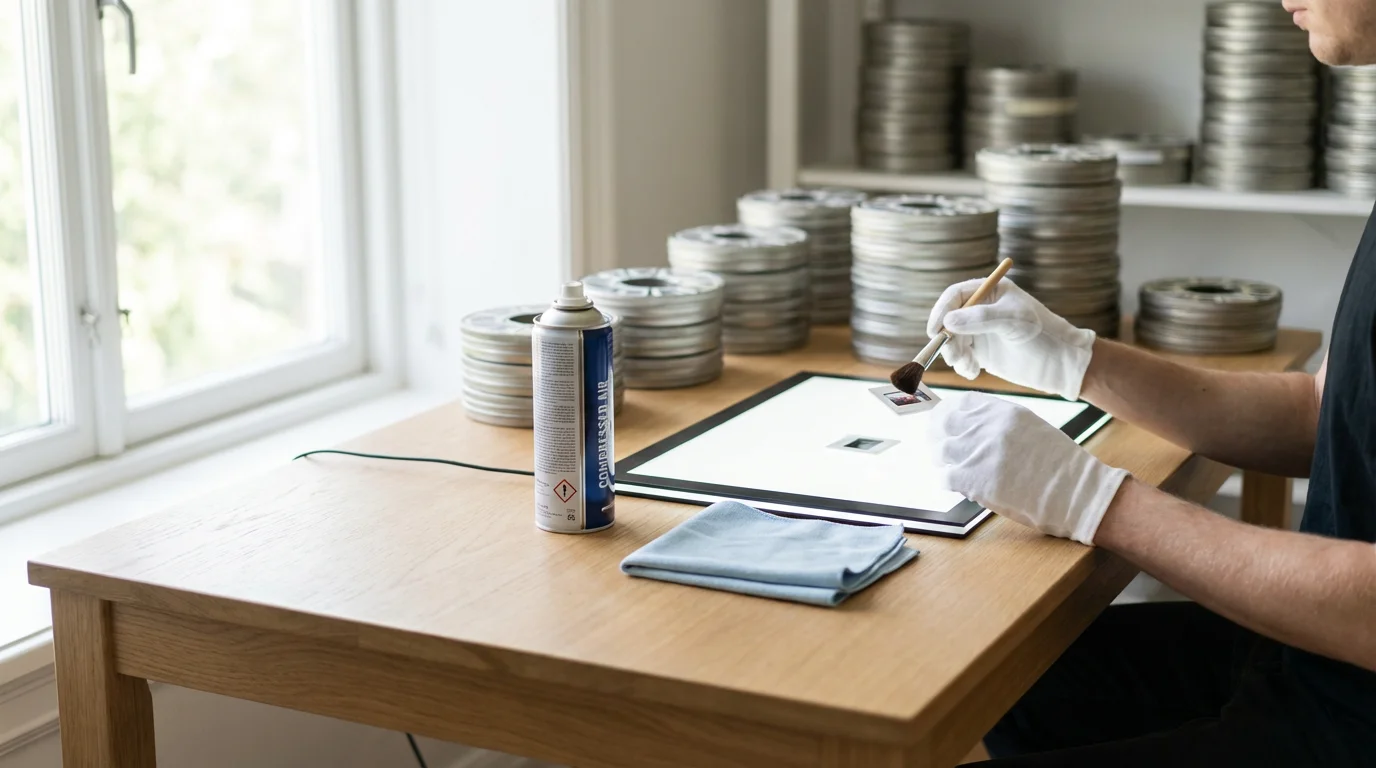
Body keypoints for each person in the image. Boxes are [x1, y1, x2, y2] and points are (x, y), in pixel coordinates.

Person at [925, 4, 1376, 765]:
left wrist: (1098, 504)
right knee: (1007, 681)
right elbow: (1323, 413)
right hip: (1317, 655)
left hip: (1353, 705)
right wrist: (1075, 359)